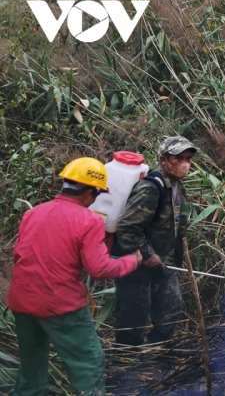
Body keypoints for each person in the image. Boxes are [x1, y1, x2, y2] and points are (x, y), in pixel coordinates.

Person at [7, 157, 142, 395]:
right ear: (90, 192)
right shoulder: (89, 220)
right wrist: (131, 261)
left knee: (31, 369)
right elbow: (99, 269)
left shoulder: (35, 213)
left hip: (22, 301)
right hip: (61, 305)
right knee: (88, 364)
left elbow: (24, 253)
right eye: (97, 195)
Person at [113, 136, 197, 346]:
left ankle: (158, 355)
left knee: (170, 311)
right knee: (133, 317)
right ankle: (127, 359)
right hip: (139, 266)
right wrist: (147, 254)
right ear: (164, 160)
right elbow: (128, 226)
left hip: (166, 264)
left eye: (188, 158)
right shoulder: (151, 188)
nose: (185, 163)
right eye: (179, 158)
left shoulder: (177, 186)